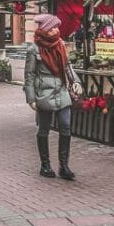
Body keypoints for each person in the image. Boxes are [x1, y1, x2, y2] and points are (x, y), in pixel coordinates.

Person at [23, 14, 83, 180]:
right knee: (44, 129)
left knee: (65, 126)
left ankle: (64, 166)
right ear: (45, 29)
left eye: (57, 27)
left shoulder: (60, 44)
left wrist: (76, 81)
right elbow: (29, 76)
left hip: (62, 91)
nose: (57, 30)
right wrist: (31, 98)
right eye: (54, 27)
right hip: (44, 94)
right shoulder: (34, 49)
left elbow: (67, 66)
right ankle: (45, 165)